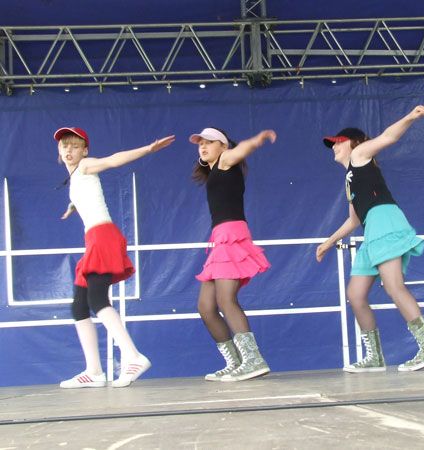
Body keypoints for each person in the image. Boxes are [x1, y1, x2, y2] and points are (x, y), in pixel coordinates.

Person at [317, 106, 424, 372]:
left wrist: (411, 117)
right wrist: (328, 242)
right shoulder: (349, 179)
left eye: (338, 142)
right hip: (371, 230)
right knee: (355, 294)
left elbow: (389, 136)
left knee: (394, 286)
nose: (334, 147)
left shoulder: (360, 155)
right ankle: (374, 357)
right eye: (332, 144)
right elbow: (354, 220)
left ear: (354, 143)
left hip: (384, 221)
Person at [56, 127, 175, 388]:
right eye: (65, 146)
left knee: (97, 299)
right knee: (79, 306)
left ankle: (133, 356)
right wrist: (73, 206)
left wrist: (148, 149)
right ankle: (94, 371)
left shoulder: (86, 165)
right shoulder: (76, 177)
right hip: (94, 238)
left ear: (85, 151)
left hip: (103, 237)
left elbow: (112, 160)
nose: (69, 150)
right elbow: (86, 195)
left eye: (75, 146)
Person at [190, 127, 275, 382]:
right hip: (219, 238)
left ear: (223, 146)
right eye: (200, 143)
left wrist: (256, 140)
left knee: (226, 299)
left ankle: (253, 360)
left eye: (209, 142)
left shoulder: (226, 160)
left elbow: (242, 150)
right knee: (206, 306)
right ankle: (236, 361)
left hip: (232, 235)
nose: (203, 147)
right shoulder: (215, 171)